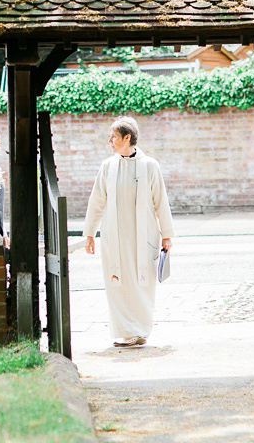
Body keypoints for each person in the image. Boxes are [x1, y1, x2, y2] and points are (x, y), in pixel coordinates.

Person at [84, 116, 174, 347]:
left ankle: (141, 329)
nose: (110, 141)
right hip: (114, 237)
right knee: (118, 282)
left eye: (113, 136)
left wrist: (167, 235)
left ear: (127, 138)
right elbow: (96, 201)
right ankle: (126, 331)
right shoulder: (108, 166)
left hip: (144, 236)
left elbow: (160, 201)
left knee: (142, 282)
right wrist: (89, 233)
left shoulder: (150, 166)